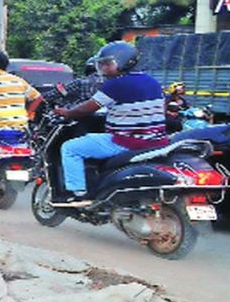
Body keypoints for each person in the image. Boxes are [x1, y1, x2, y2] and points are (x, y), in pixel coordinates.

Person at [54, 41, 168, 206]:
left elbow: (86, 109)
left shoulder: (115, 85)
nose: (104, 68)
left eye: (108, 64)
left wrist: (67, 113)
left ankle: (79, 194)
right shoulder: (152, 82)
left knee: (70, 148)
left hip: (125, 142)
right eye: (103, 64)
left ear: (123, 62)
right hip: (156, 141)